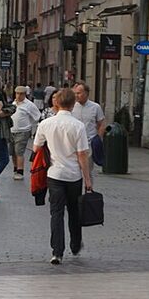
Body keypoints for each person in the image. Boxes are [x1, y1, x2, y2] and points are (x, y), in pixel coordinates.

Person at [33, 87, 93, 265]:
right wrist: (88, 179)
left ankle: (57, 251)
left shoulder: (45, 124)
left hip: (54, 174)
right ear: (73, 104)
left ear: (56, 103)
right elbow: (82, 154)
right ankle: (75, 244)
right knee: (74, 211)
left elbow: (36, 148)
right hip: (74, 175)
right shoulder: (78, 126)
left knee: (56, 213)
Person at [10, 85, 42, 180]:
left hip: (23, 131)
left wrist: (31, 126)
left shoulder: (29, 105)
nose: (19, 96)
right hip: (12, 130)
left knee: (19, 151)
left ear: (25, 94)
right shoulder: (13, 103)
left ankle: (20, 171)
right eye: (17, 93)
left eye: (21, 94)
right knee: (12, 152)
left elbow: (37, 116)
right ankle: (15, 168)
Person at [72, 82, 105, 170]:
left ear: (86, 93)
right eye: (75, 93)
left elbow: (101, 123)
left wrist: (98, 138)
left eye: (78, 93)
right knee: (74, 170)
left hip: (89, 144)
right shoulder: (72, 107)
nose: (76, 95)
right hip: (74, 144)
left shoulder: (95, 107)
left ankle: (87, 183)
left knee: (87, 170)